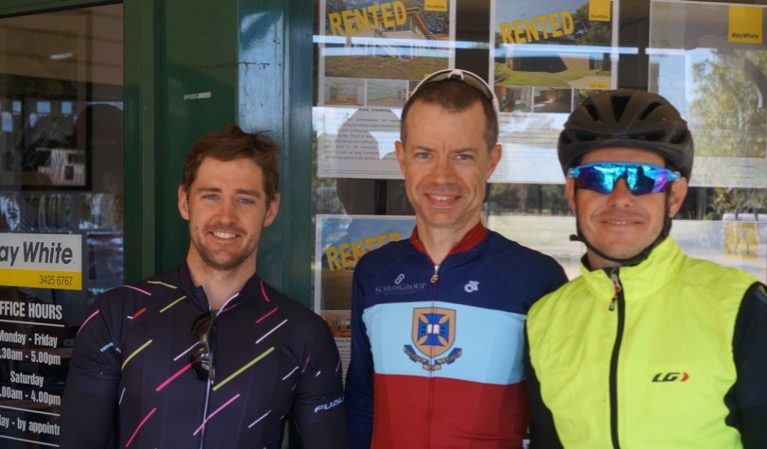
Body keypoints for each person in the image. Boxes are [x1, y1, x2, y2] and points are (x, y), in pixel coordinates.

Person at [525, 89, 767, 448]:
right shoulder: (544, 320)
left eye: (644, 178)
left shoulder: (739, 306)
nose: (620, 197)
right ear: (572, 192)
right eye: (598, 177)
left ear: (674, 196)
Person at [61, 124, 348, 448]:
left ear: (270, 209)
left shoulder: (305, 334)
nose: (225, 217)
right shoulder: (116, 315)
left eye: (245, 200)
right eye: (211, 196)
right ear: (184, 202)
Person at [345, 69, 568, 449]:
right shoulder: (374, 272)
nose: (441, 176)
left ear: (492, 161)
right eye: (424, 154)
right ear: (402, 159)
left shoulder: (536, 277)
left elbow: (555, 421)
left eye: (462, 156)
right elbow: (363, 400)